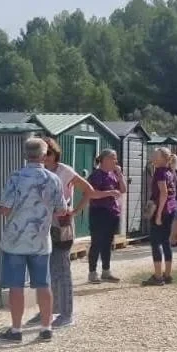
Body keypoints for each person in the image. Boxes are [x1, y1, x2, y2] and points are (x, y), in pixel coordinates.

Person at [28, 138, 114, 328]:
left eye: (47, 154)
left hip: (61, 228)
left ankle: (66, 313)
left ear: (54, 154)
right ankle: (47, 311)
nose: (45, 158)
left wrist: (75, 211)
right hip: (42, 228)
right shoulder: (39, 173)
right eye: (43, 155)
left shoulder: (64, 171)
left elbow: (89, 190)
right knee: (46, 271)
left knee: (62, 271)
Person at [0, 137, 66, 342]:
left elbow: (4, 209)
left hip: (15, 241)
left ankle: (16, 330)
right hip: (41, 241)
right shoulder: (53, 179)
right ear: (44, 155)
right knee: (43, 284)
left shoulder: (16, 177)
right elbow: (61, 210)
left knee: (16, 286)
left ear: (26, 154)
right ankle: (46, 328)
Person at [86, 148, 126, 284]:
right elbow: (92, 193)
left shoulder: (114, 174)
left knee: (107, 244)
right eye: (113, 158)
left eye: (116, 158)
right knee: (96, 242)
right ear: (104, 159)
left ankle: (106, 271)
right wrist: (109, 192)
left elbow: (123, 190)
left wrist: (120, 176)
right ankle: (92, 272)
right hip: (98, 212)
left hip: (112, 213)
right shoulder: (96, 175)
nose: (115, 161)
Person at [144, 148, 177, 286]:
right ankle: (168, 275)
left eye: (155, 154)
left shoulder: (160, 172)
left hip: (162, 211)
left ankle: (158, 277)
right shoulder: (171, 171)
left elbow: (163, 193)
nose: (153, 156)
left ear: (162, 159)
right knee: (165, 242)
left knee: (155, 243)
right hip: (171, 210)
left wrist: (158, 214)